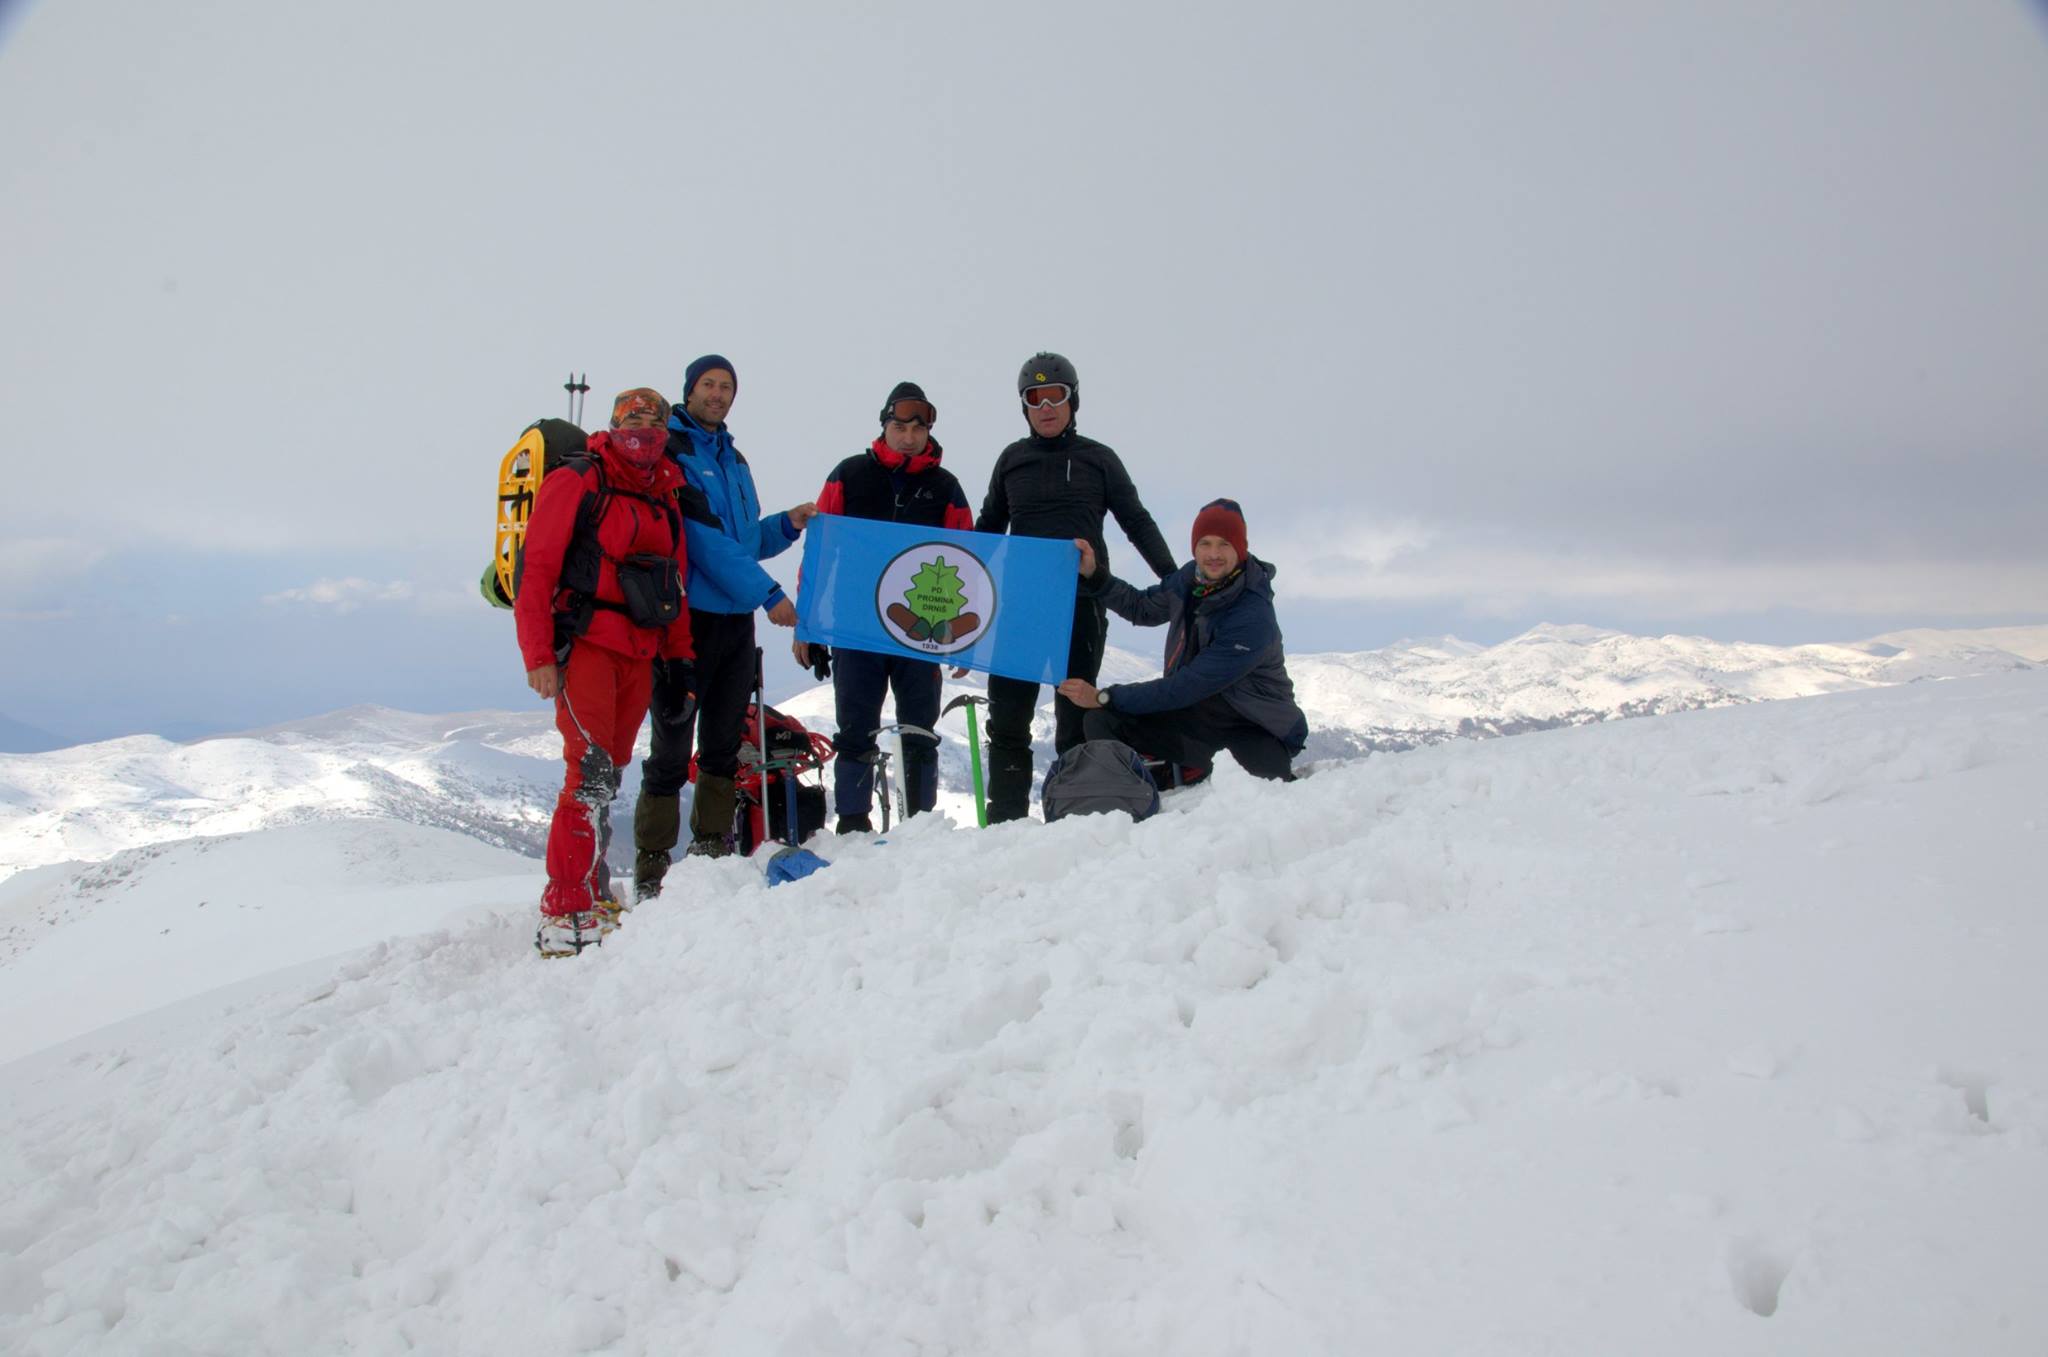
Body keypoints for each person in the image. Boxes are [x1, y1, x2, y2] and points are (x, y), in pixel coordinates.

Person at [516, 387, 693, 957]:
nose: (644, 428)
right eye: (632, 418)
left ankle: (593, 891)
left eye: (654, 419)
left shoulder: (665, 493)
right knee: (588, 772)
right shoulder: (580, 480)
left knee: (610, 774)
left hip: (639, 652)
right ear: (614, 424)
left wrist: (679, 661)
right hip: (588, 643)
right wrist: (538, 653)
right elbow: (538, 568)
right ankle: (563, 911)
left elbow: (675, 584)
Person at [633, 355, 817, 894]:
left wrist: (786, 525)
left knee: (720, 745)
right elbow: (704, 542)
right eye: (708, 385)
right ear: (688, 391)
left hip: (734, 625)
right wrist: (769, 594)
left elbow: (741, 542)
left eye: (726, 386)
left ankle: (710, 851)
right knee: (670, 745)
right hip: (686, 621)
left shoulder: (732, 458)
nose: (717, 394)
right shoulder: (673, 452)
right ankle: (651, 865)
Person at [975, 352, 1179, 822]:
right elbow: (986, 533)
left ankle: (1074, 815)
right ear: (1023, 407)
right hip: (1019, 609)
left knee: (1074, 720)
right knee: (1008, 720)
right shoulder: (1011, 460)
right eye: (1034, 399)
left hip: (1082, 604)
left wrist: (1173, 580)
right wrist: (962, 616)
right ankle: (1006, 821)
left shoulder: (1098, 459)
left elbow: (1136, 521)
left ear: (1073, 401)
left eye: (1056, 397)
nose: (1046, 407)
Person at [796, 381, 976, 833]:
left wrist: (965, 638)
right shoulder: (849, 474)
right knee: (855, 729)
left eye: (918, 428)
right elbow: (819, 552)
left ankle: (920, 827)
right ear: (885, 425)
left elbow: (968, 562)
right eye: (900, 425)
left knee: (920, 731)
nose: (908, 436)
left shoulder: (945, 487)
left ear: (928, 432)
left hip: (923, 630)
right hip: (855, 626)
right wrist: (808, 624)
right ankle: (853, 825)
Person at [1056, 498, 1306, 784]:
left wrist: (1104, 696)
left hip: (1251, 724)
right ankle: (1134, 792)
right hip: (1197, 714)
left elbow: (1186, 686)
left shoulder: (1251, 615)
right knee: (1101, 720)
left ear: (1240, 549)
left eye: (1224, 544)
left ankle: (1189, 771)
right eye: (1205, 544)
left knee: (1264, 780)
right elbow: (1142, 607)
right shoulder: (1190, 579)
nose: (1213, 554)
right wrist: (1094, 574)